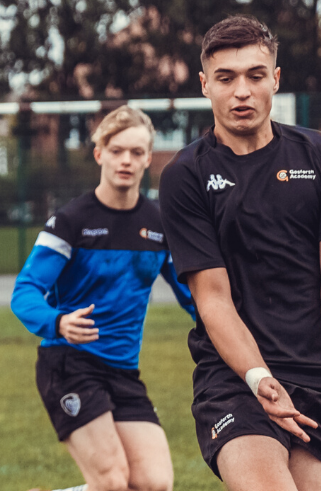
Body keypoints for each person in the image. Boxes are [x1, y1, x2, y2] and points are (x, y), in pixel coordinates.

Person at [159, 15, 321, 491]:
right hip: (236, 379)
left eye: (255, 76)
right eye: (226, 78)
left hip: (316, 384)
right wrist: (258, 377)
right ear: (205, 85)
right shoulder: (186, 176)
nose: (241, 91)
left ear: (275, 80)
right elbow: (213, 298)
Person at [10, 106, 196, 491]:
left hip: (124, 371)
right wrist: (58, 322)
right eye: (116, 150)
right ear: (100, 154)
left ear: (148, 158)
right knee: (112, 482)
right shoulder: (70, 221)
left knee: (153, 483)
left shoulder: (160, 224)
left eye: (136, 152)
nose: (125, 160)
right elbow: (25, 291)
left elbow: (194, 295)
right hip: (68, 365)